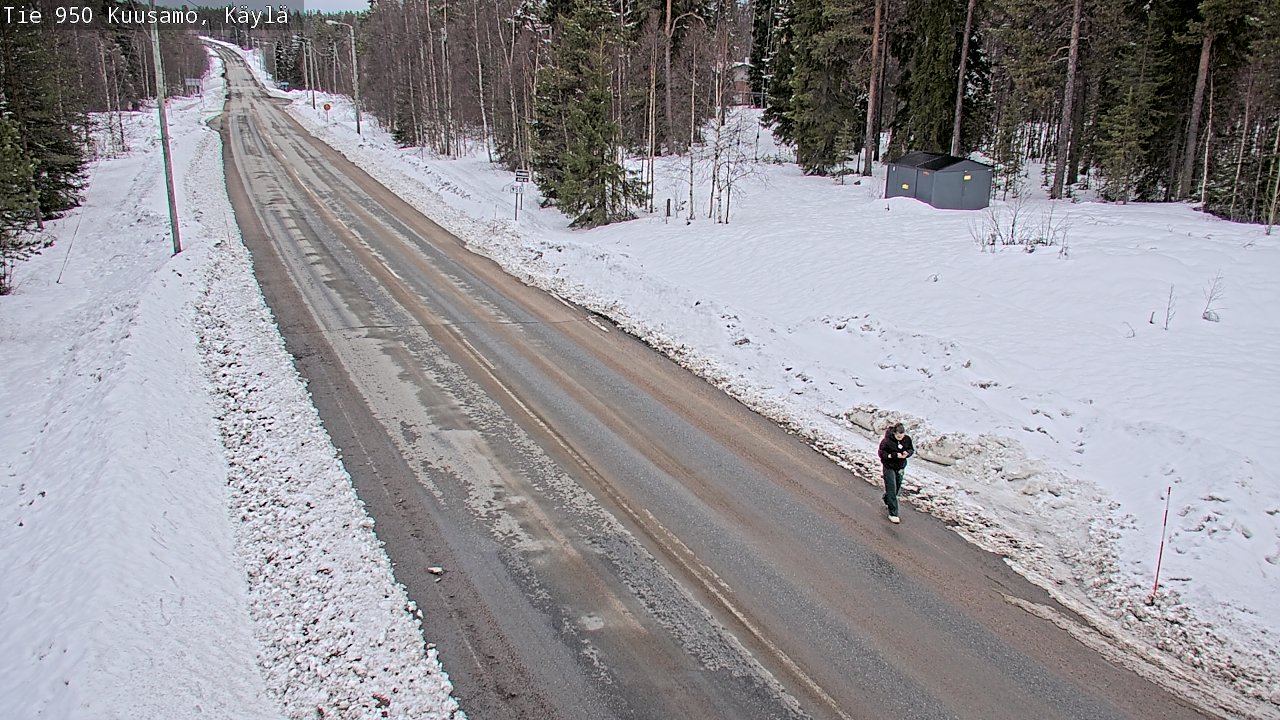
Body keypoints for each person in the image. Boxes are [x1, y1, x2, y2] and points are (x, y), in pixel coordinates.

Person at [877, 423, 914, 524]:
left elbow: (911, 449)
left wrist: (907, 453)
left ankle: (887, 498)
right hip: (889, 467)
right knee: (892, 487)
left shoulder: (907, 440)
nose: (900, 438)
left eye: (902, 436)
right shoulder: (886, 441)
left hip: (900, 467)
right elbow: (881, 453)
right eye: (898, 436)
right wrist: (892, 455)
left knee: (897, 487)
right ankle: (893, 513)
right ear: (894, 433)